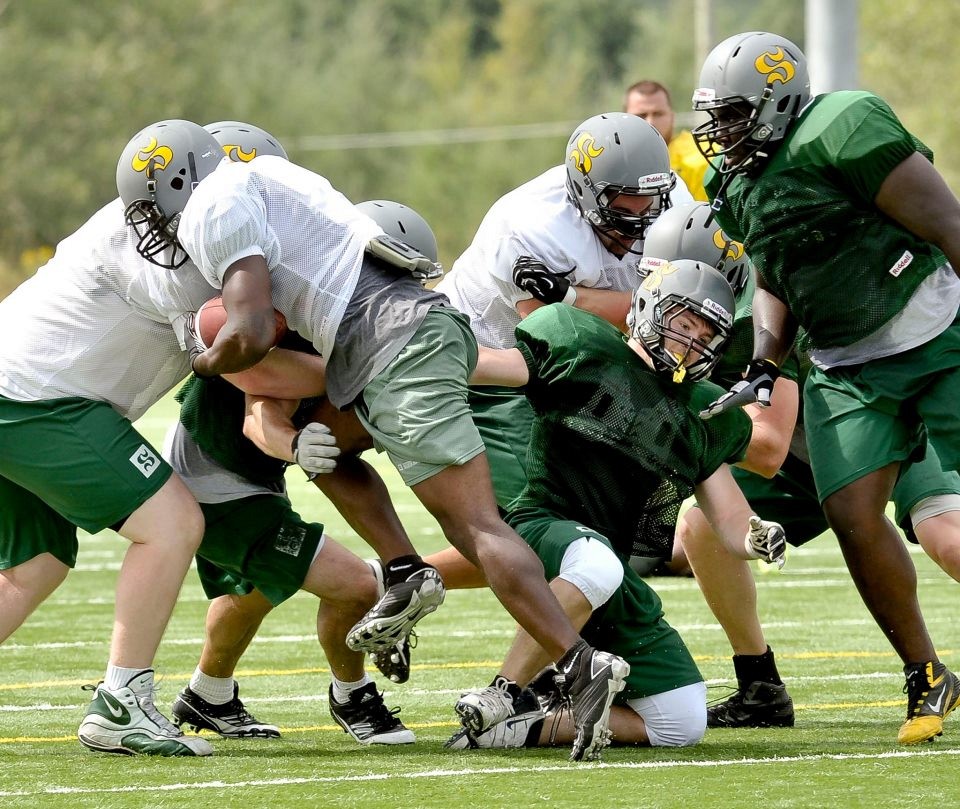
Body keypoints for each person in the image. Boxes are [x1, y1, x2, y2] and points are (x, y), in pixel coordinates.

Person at [115, 120, 631, 763]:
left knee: (477, 529)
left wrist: (195, 354)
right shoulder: (280, 183)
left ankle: (577, 667)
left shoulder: (220, 203)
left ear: (181, 181)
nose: (159, 226)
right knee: (328, 439)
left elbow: (246, 334)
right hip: (412, 333)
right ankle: (403, 568)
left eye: (153, 204)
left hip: (388, 348)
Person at [692, 30, 960, 744]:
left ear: (779, 103)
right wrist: (765, 360)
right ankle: (927, 673)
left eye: (734, 115)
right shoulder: (738, 182)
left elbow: (948, 223)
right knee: (851, 513)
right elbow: (777, 271)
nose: (719, 133)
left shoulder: (841, 128)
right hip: (843, 361)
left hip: (935, 331)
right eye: (716, 116)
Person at [439, 260, 787, 751]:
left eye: (706, 335)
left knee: (681, 721)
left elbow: (731, 518)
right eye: (684, 324)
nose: (691, 342)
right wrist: (424, 342)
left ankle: (520, 728)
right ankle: (505, 693)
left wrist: (755, 536)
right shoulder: (582, 344)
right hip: (544, 526)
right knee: (595, 562)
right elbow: (491, 365)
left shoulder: (705, 411)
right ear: (647, 308)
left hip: (609, 569)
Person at [641, 201, 960, 730]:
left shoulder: (757, 317)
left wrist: (681, 425)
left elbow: (766, 446)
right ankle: (759, 685)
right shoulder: (685, 314)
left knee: (943, 533)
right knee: (701, 527)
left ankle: (922, 669)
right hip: (809, 451)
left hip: (876, 418)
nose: (676, 317)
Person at [170, 195, 450, 739]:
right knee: (356, 587)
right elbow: (260, 414)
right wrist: (296, 445)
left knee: (255, 587)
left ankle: (208, 695)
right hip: (216, 481)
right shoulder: (281, 319)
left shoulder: (320, 313)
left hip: (238, 477)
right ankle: (353, 698)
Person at [0, 121, 239, 756]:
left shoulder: (142, 210)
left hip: (18, 388)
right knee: (172, 524)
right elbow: (229, 336)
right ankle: (122, 704)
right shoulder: (180, 261)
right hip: (37, 400)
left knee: (33, 567)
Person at [434, 112, 692, 512]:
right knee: (545, 512)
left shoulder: (676, 210)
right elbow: (561, 346)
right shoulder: (529, 227)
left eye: (650, 203)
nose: (641, 220)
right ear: (585, 195)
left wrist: (573, 296)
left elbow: (673, 314)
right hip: (487, 366)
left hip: (560, 360)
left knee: (588, 520)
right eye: (624, 206)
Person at [624, 80, 710, 202]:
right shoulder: (611, 160)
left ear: (672, 116)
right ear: (623, 119)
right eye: (641, 115)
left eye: (658, 114)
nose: (650, 123)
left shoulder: (701, 156)